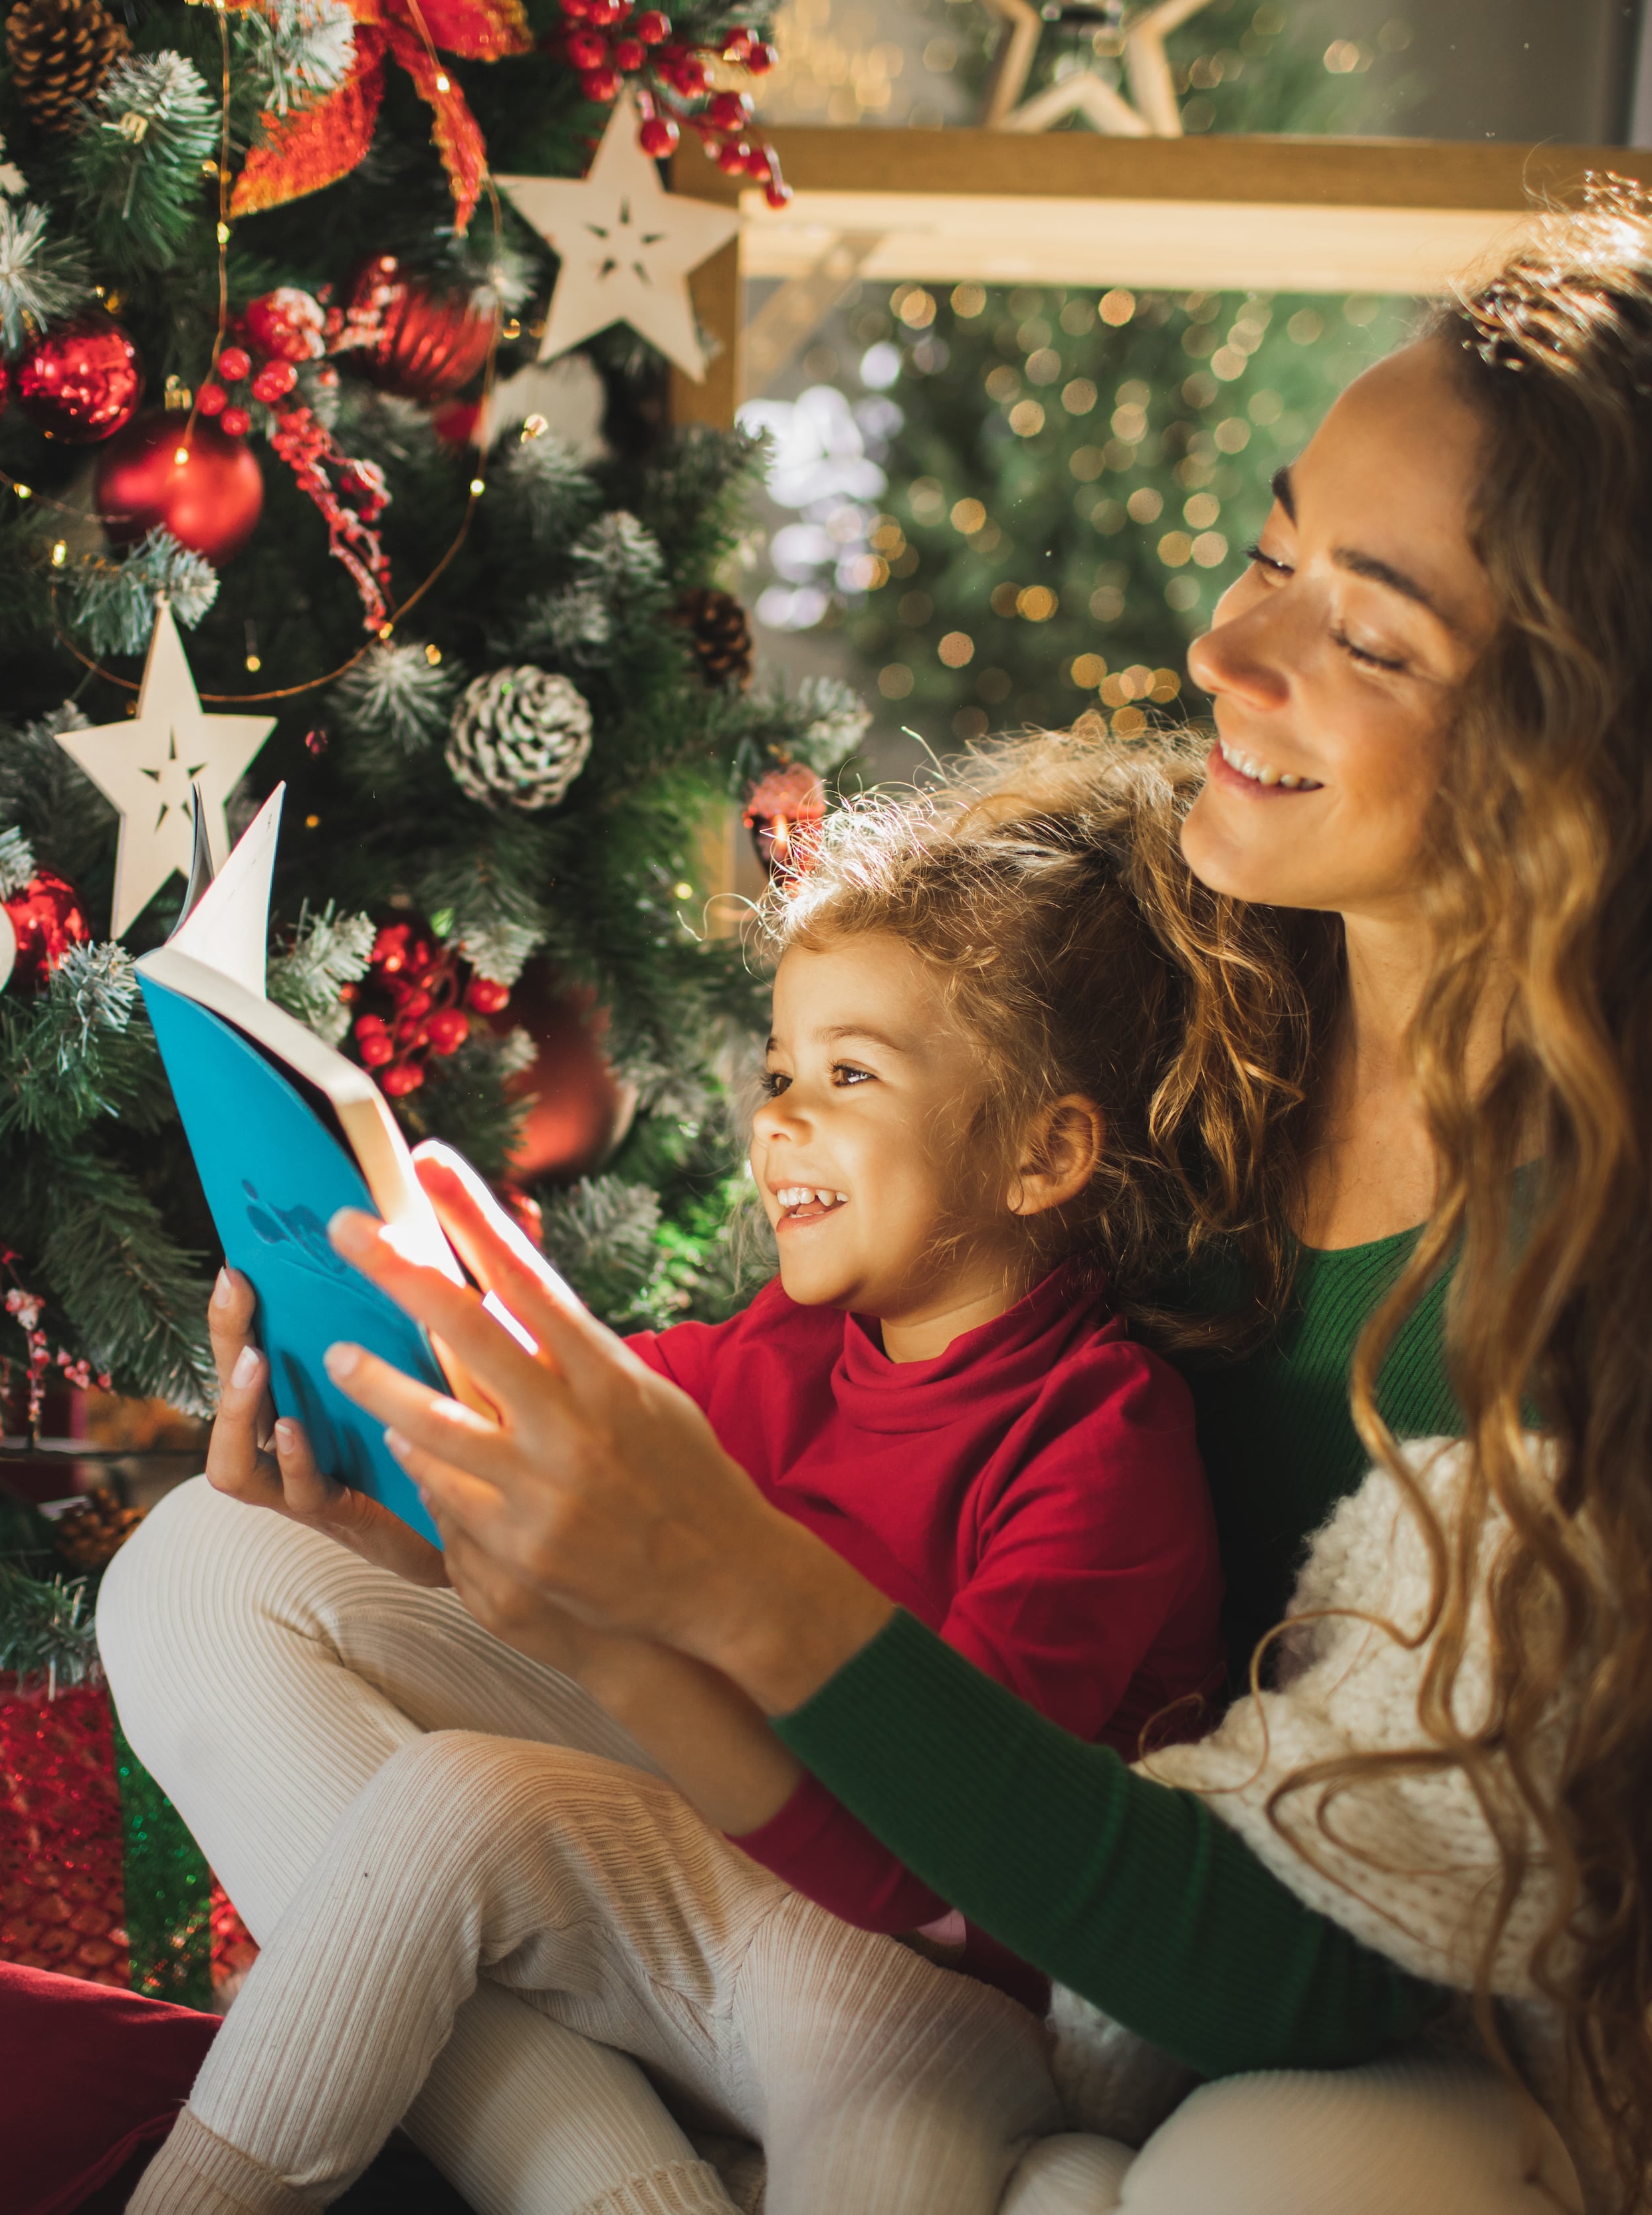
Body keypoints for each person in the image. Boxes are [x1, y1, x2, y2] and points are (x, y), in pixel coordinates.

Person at [289, 211, 1652, 2214]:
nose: (1228, 654)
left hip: (1385, 2019)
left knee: (1276, 2173)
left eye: (1367, 636)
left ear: (1613, 769)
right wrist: (430, 1476)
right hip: (943, 1879)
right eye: (1275, 549)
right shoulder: (1181, 969)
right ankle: (612, 2161)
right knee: (219, 1587)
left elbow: (1314, 1958)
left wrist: (732, 1584)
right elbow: (893, 1368)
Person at [112, 758, 1243, 2215]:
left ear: (1044, 1151)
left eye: (849, 1075)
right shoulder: (777, 1347)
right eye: (777, 1070)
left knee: (524, 1830)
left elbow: (937, 1855)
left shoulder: (1102, 1433)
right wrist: (351, 1459)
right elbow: (520, 1478)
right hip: (713, 1873)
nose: (777, 1119)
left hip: (933, 1985)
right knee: (205, 1559)